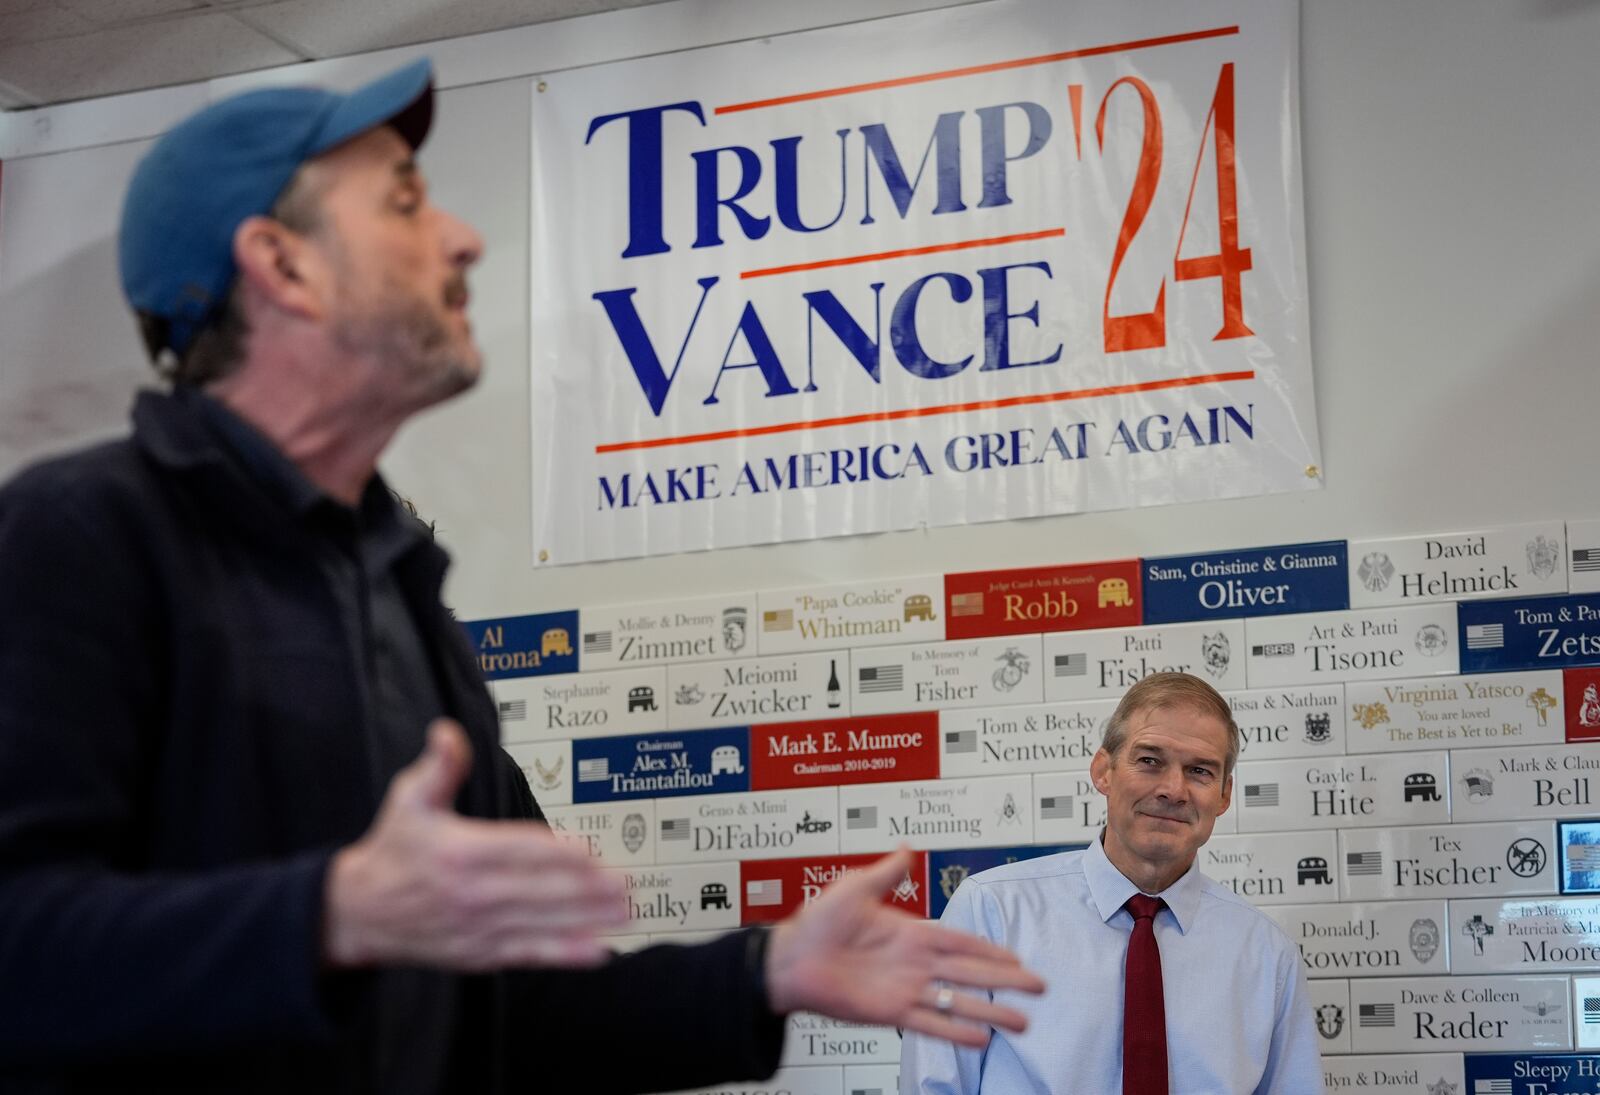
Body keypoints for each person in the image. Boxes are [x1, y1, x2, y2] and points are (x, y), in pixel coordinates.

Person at [0, 60, 1044, 1094]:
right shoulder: (83, 531)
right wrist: (333, 914)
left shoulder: (404, 606)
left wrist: (764, 974)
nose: (463, 237)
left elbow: (513, 1016)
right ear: (283, 265)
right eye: (404, 202)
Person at [900, 672, 1321, 1094]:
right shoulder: (990, 913)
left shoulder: (1266, 955)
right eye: (1149, 760)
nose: (1174, 790)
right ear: (1103, 771)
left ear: (1225, 795)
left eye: (1199, 771)